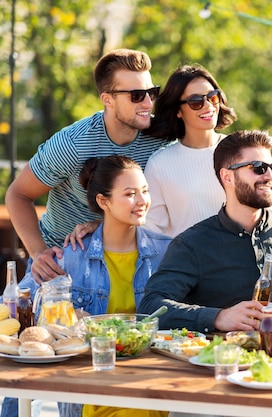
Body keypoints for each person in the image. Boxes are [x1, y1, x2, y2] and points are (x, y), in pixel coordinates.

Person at [13, 155, 171, 417]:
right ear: (103, 201)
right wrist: (69, 319)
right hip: (91, 387)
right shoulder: (72, 256)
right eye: (130, 194)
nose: (143, 201)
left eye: (145, 191)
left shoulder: (166, 251)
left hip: (147, 383)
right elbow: (17, 305)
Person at [5, 49, 169, 283]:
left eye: (152, 93)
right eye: (136, 95)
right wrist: (38, 253)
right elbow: (18, 194)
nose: (147, 103)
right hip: (62, 263)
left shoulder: (161, 139)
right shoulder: (74, 144)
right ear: (107, 99)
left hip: (129, 262)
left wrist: (103, 224)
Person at [137, 129, 272, 332]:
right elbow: (151, 306)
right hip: (222, 360)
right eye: (258, 168)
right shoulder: (192, 244)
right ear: (227, 177)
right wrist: (217, 317)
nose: (269, 176)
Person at [142, 64, 272, 237]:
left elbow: (262, 213)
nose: (208, 106)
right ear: (178, 110)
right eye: (196, 102)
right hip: (190, 262)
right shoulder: (160, 164)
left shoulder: (242, 151)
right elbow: (152, 233)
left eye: (212, 97)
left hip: (244, 258)